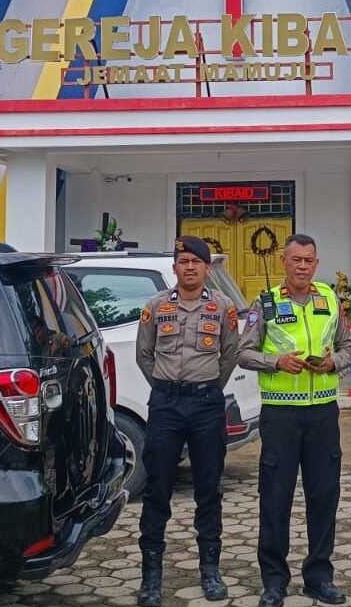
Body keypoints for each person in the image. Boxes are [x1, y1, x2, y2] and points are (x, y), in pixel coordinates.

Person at [237, 233, 351, 607]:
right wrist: (276, 362)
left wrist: (333, 363)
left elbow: (348, 347)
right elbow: (244, 353)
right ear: (284, 262)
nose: (302, 266)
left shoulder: (330, 299)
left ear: (316, 264)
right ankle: (274, 580)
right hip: (281, 415)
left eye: (309, 260)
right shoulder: (266, 303)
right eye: (296, 260)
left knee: (324, 495)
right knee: (276, 497)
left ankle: (319, 576)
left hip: (322, 413)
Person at [134, 236, 240, 606]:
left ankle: (210, 571)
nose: (190, 267)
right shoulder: (156, 306)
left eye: (196, 261)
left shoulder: (223, 307)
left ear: (207, 267)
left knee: (208, 489)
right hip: (166, 404)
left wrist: (206, 386)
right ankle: (151, 578)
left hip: (206, 404)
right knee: (157, 488)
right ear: (175, 267)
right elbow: (144, 355)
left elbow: (229, 354)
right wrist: (167, 388)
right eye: (184, 261)